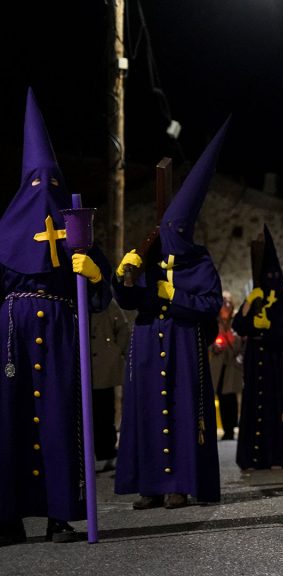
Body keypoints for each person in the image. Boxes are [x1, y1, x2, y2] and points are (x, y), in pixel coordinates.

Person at [0, 90, 113, 545]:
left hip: (62, 329)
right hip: (11, 334)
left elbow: (103, 296)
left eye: (51, 182)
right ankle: (8, 515)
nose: (43, 191)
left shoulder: (77, 226)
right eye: (35, 182)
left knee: (60, 417)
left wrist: (93, 269)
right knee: (11, 419)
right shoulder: (5, 229)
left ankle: (59, 514)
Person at [115, 121, 227, 511]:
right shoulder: (147, 259)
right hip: (148, 342)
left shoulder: (199, 262)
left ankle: (180, 483)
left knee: (179, 411)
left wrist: (173, 293)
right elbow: (128, 301)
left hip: (182, 345)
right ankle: (150, 485)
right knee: (147, 409)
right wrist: (122, 278)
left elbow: (210, 305)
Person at [233, 225, 283, 470]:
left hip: (276, 362)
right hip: (255, 363)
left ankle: (277, 456)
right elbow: (239, 326)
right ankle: (253, 456)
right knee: (254, 407)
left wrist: (267, 328)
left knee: (276, 408)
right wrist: (248, 307)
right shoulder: (256, 299)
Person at [91, 300, 130, 471]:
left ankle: (105, 451)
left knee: (104, 410)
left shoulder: (107, 304)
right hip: (86, 367)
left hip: (103, 367)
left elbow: (123, 328)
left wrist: (114, 351)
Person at [210, 292, 243, 441]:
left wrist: (240, 357)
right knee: (222, 397)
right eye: (224, 302)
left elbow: (243, 342)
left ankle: (232, 427)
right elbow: (207, 341)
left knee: (232, 397)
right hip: (219, 364)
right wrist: (213, 347)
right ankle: (226, 429)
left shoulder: (236, 321)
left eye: (229, 302)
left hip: (233, 365)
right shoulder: (213, 321)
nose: (227, 305)